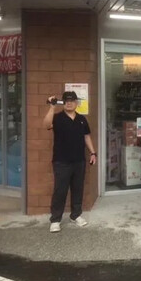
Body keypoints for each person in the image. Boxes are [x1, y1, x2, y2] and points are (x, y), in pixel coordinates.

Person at [43, 91, 97, 233]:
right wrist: (52, 107)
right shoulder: (57, 118)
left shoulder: (81, 119)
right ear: (63, 102)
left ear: (76, 103)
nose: (69, 103)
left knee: (77, 189)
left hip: (79, 161)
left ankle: (76, 215)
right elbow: (46, 125)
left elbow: (86, 137)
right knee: (60, 191)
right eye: (66, 100)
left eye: (72, 100)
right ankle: (55, 220)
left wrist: (93, 152)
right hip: (61, 161)